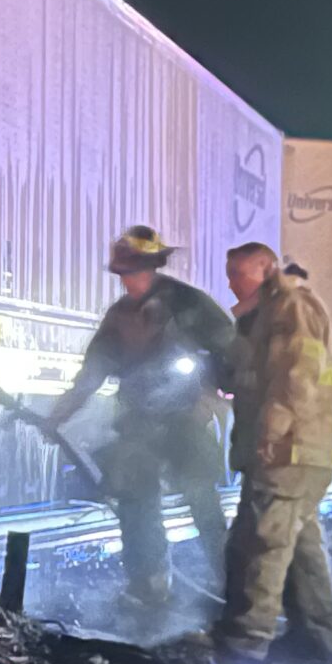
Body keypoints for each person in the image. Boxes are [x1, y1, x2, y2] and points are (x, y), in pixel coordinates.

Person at [48, 226, 237, 615]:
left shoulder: (188, 305)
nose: (129, 281)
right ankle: (149, 585)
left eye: (134, 272)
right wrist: (61, 413)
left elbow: (228, 346)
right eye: (123, 274)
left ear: (152, 267)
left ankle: (232, 584)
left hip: (186, 418)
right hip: (139, 422)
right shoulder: (120, 317)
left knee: (202, 500)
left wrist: (215, 394)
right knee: (136, 502)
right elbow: (93, 370)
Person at [214, 242, 332, 660]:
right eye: (230, 273)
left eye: (240, 273)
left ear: (266, 269)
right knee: (299, 543)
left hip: (290, 450)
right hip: (294, 452)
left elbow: (296, 376)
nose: (232, 282)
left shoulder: (291, 307)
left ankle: (245, 644)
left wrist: (271, 434)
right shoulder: (262, 316)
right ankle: (317, 637)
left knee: (260, 544)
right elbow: (249, 375)